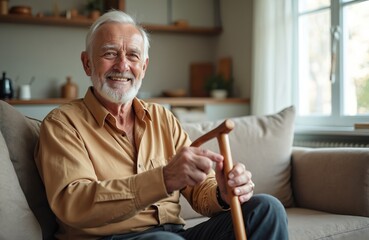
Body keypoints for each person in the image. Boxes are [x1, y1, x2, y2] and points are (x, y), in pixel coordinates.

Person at [35, 10, 288, 240]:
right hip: (109, 238)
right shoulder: (62, 124)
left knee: (266, 209)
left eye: (133, 56)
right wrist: (163, 179)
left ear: (143, 67)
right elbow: (74, 203)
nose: (123, 65)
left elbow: (200, 190)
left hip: (173, 235)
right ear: (87, 63)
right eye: (110, 53)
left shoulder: (162, 118)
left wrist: (222, 192)